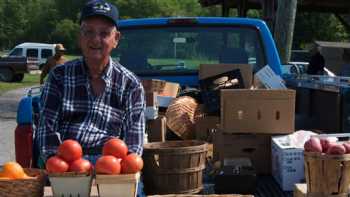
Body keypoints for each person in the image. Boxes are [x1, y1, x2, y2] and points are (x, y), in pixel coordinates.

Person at [36, 2, 146, 194]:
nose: (96, 39)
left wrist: (114, 171)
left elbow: (133, 146)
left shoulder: (131, 84)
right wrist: (61, 167)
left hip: (112, 170)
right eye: (88, 32)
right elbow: (47, 132)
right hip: (68, 168)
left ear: (116, 39)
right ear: (80, 37)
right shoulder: (59, 77)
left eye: (104, 33)